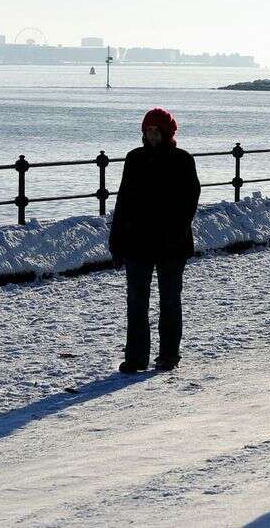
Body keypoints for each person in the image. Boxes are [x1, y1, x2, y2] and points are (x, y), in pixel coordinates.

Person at [108, 107, 201, 373]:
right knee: (136, 302)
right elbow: (123, 201)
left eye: (155, 130)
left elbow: (189, 202)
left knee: (169, 300)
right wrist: (117, 242)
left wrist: (176, 231)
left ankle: (169, 354)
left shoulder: (182, 160)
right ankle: (136, 357)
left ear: (167, 132)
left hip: (172, 244)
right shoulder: (134, 159)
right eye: (147, 131)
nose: (151, 135)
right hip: (138, 243)